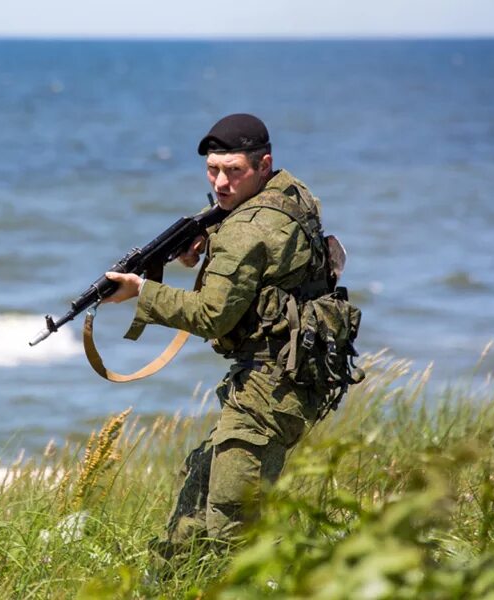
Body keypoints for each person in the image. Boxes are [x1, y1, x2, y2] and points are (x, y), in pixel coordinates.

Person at [103, 113, 349, 555]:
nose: (220, 183)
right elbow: (258, 231)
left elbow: (211, 315)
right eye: (212, 171)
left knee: (232, 522)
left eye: (234, 171)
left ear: (263, 164)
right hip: (291, 375)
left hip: (272, 385)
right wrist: (206, 235)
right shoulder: (292, 193)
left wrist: (142, 293)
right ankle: (171, 582)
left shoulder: (245, 230)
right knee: (197, 488)